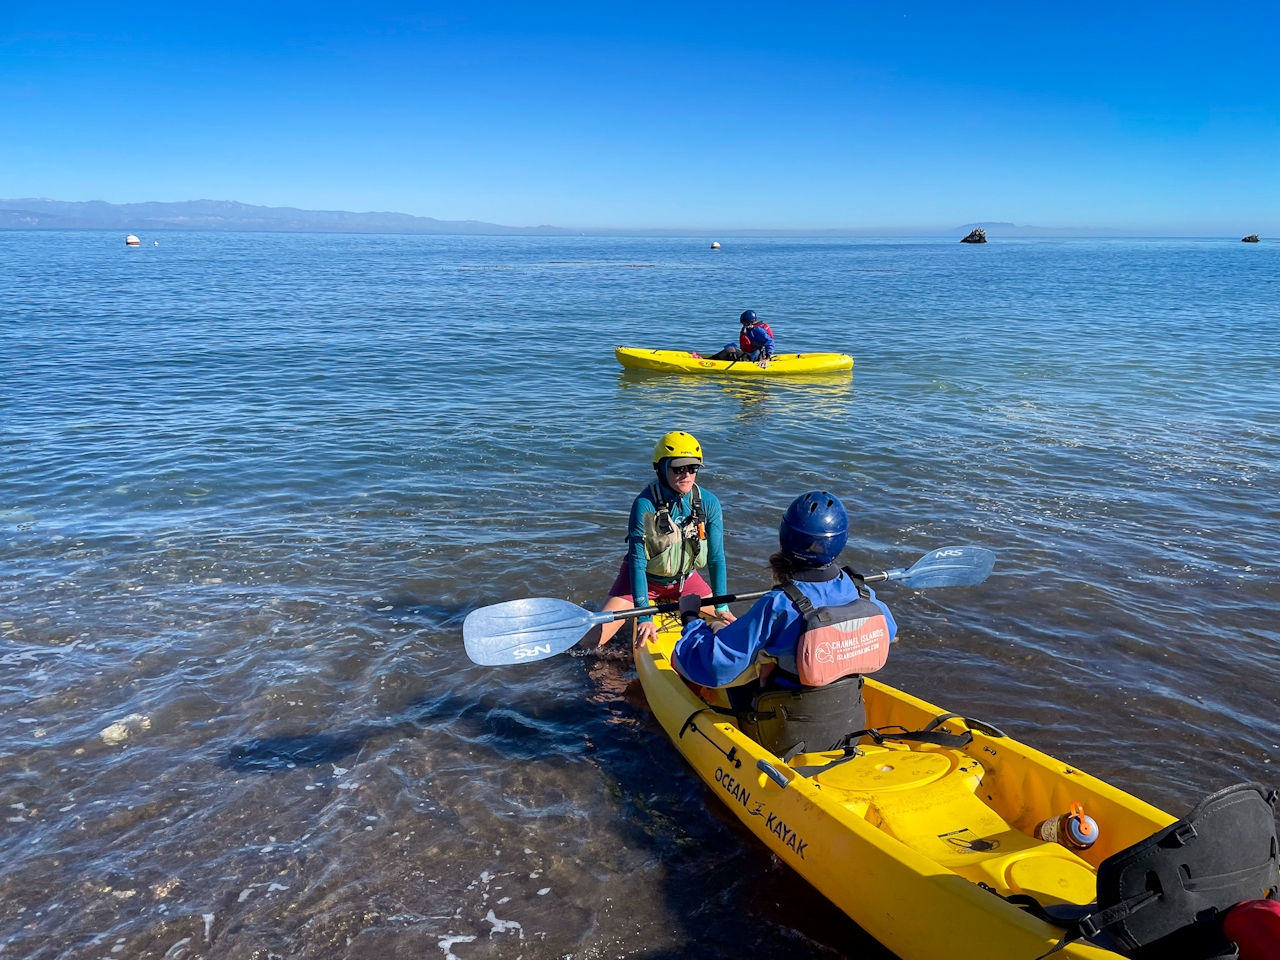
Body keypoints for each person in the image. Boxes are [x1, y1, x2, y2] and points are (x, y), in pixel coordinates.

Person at [666, 491, 897, 755]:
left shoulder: (779, 604)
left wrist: (692, 621)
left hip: (784, 734)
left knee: (738, 662)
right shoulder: (862, 593)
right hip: (848, 723)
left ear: (785, 537)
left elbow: (716, 668)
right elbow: (888, 632)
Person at [579, 431, 734, 649]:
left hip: (686, 581)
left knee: (728, 630)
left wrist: (721, 605)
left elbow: (716, 558)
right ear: (661, 468)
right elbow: (637, 563)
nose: (687, 475)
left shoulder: (709, 503)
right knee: (590, 644)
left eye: (693, 468)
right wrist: (644, 616)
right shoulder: (645, 504)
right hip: (646, 580)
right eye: (678, 469)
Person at [708, 310, 775, 365]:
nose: (743, 325)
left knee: (730, 350)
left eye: (744, 323)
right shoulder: (750, 329)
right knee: (729, 346)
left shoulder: (758, 330)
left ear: (750, 322)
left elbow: (770, 342)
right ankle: (712, 359)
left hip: (754, 358)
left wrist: (767, 359)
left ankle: (708, 362)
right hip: (750, 354)